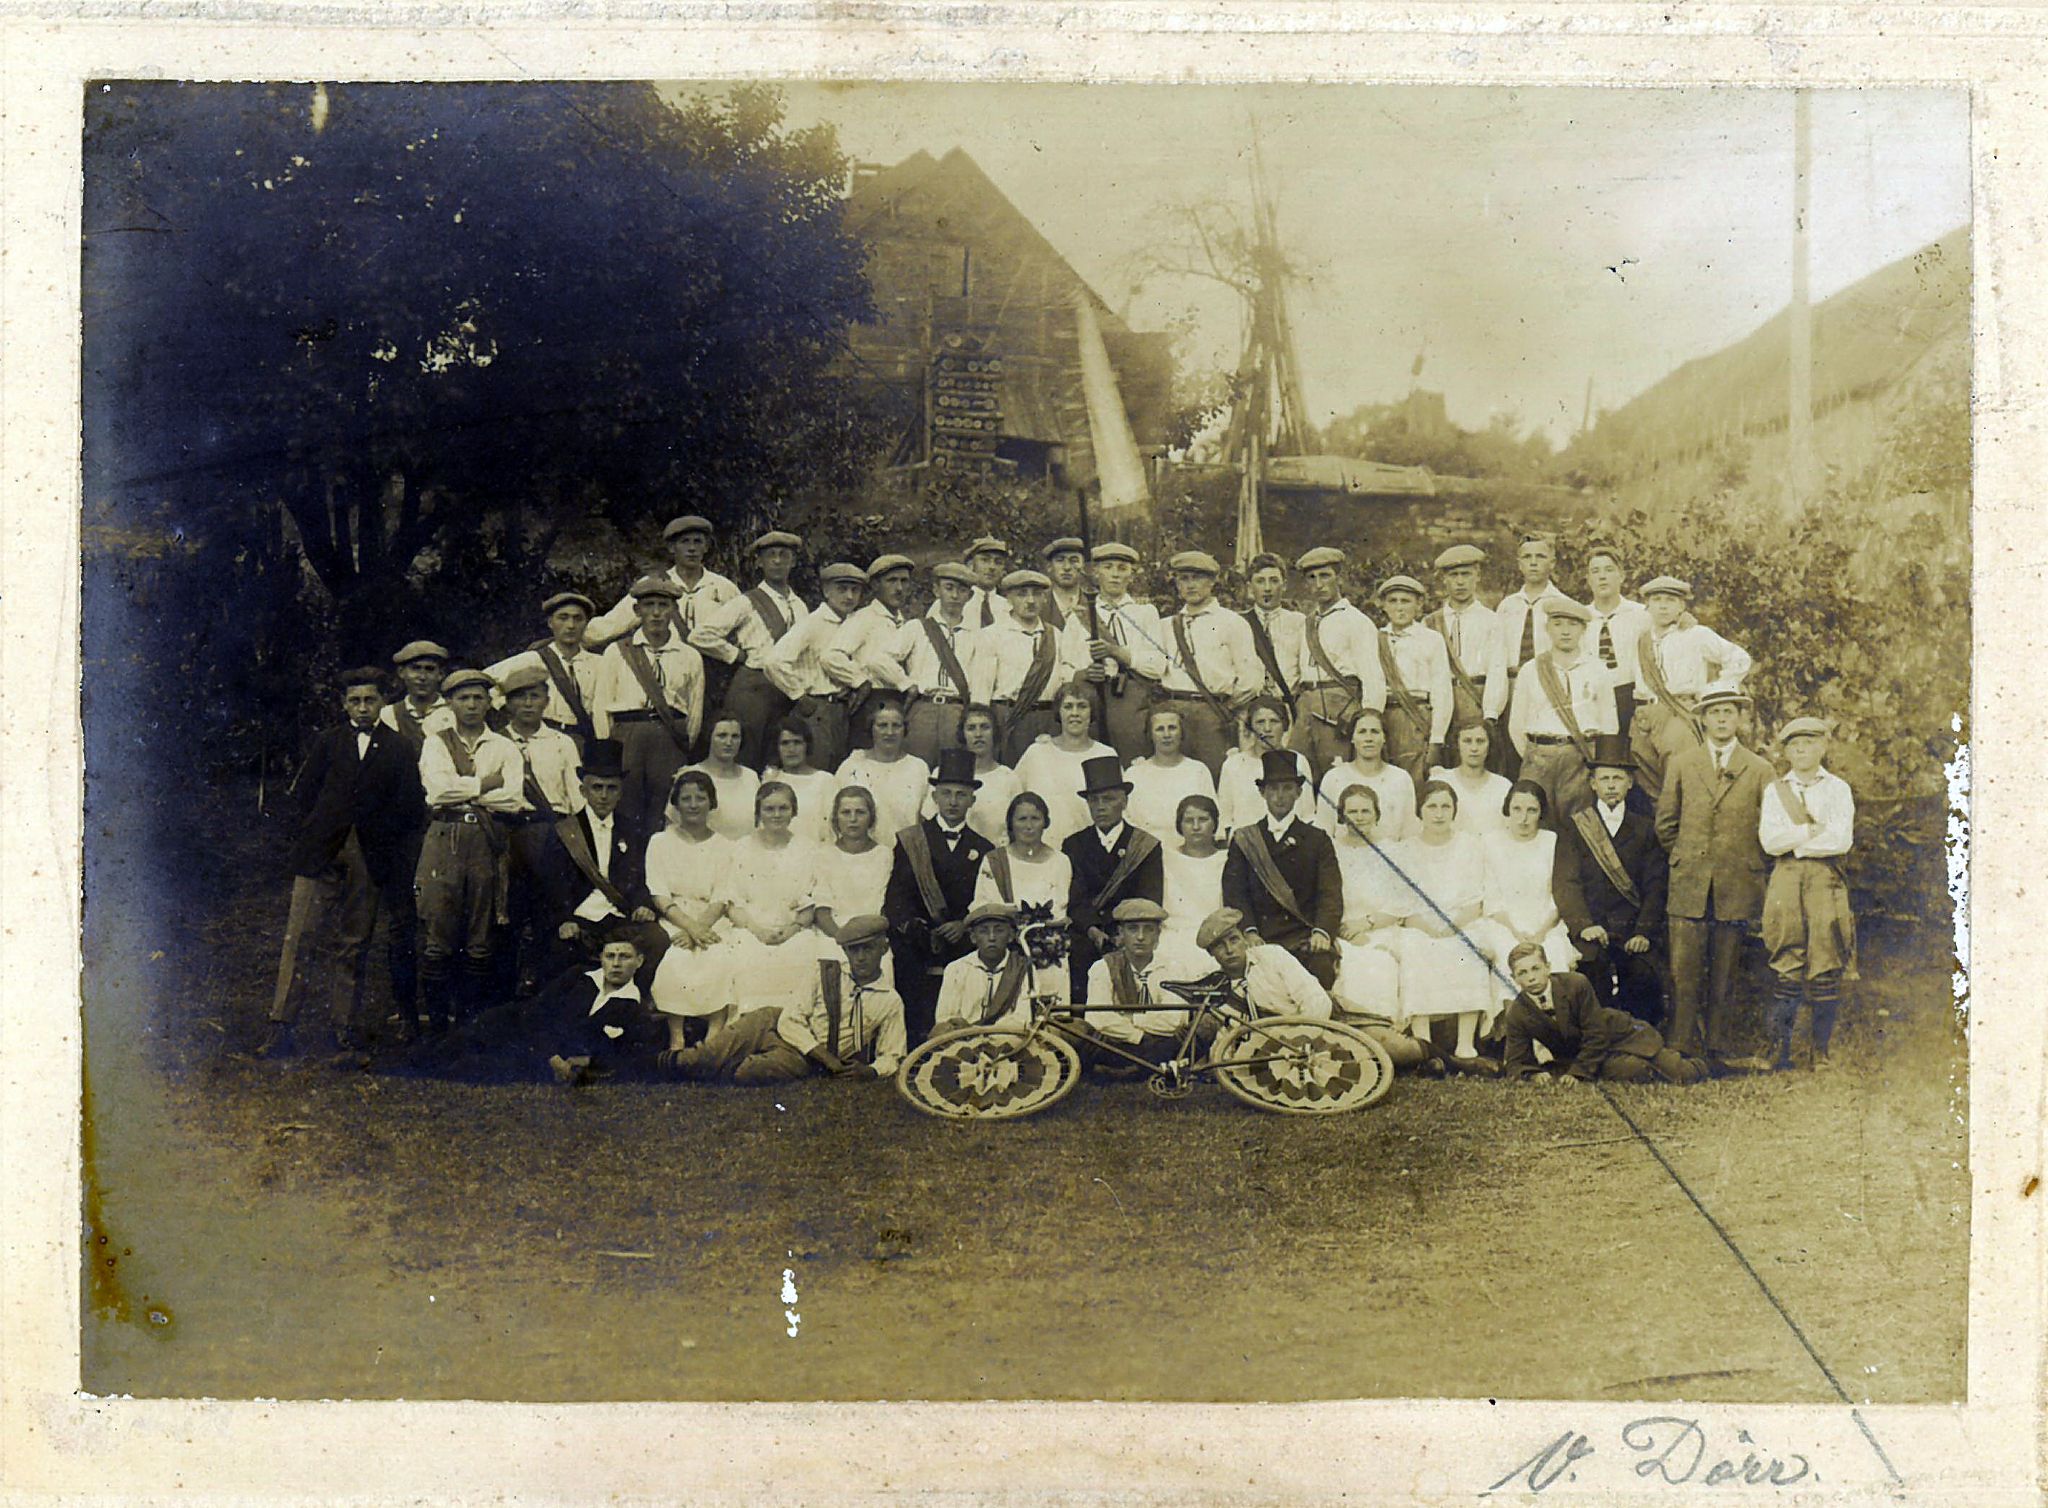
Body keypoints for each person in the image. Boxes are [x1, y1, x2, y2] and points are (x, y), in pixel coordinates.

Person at [258, 667, 420, 1061]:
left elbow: (409, 809)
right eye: (355, 701)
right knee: (300, 937)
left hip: (370, 855)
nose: (363, 708)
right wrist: (311, 836)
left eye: (370, 700)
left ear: (382, 702)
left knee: (354, 941)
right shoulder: (328, 742)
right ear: (343, 703)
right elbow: (304, 795)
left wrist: (387, 850)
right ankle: (282, 1027)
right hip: (321, 854)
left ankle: (342, 1029)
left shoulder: (398, 748)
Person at [1656, 685, 1774, 1074]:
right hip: (1689, 881)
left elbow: (1768, 827)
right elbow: (1666, 823)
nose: (1722, 719)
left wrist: (1745, 864)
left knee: (1726, 969)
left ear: (1740, 719)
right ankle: (1681, 1046)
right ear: (1703, 719)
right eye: (1715, 712)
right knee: (1684, 969)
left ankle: (1718, 1049)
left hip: (1736, 883)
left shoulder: (1759, 769)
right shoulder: (1683, 762)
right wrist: (1687, 857)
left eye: (1730, 712)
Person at [659, 916, 906, 1083]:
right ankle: (655, 1066)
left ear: (883, 948)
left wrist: (871, 1071)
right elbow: (791, 1020)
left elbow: (892, 1055)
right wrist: (825, 1055)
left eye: (868, 948)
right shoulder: (826, 972)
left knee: (747, 1073)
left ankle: (697, 1069)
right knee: (705, 1054)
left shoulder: (890, 1001)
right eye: (854, 950)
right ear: (844, 951)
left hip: (803, 1056)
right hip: (775, 1022)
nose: (861, 957)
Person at [403, 930, 671, 1084]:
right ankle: (408, 1062)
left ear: (639, 961)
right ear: (600, 958)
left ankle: (425, 1069)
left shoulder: (633, 1007)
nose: (615, 964)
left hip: (536, 1055)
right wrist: (552, 1055)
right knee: (462, 1041)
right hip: (517, 1023)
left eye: (624, 957)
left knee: (478, 1067)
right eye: (610, 956)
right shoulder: (579, 976)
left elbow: (626, 1056)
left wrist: (588, 1061)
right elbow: (537, 1012)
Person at [414, 668, 525, 1031]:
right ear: (450, 703)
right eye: (463, 698)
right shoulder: (436, 742)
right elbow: (436, 793)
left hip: (486, 839)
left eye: (479, 697)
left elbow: (511, 799)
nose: (472, 705)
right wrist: (484, 784)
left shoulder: (505, 746)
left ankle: (469, 1023)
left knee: (482, 929)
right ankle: (438, 1027)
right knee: (438, 929)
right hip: (443, 838)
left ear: (490, 703)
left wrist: (466, 788)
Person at [1759, 717, 1857, 1070]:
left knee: (1826, 959)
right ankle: (1778, 1052)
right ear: (1786, 751)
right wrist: (1810, 831)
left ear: (1823, 747)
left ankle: (1821, 1052)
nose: (1802, 751)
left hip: (1824, 878)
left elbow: (1840, 839)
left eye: (1809, 744)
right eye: (1794, 745)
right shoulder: (1775, 791)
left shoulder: (1837, 789)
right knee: (1787, 960)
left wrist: (1796, 842)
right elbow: (1770, 841)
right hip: (1784, 878)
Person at [1553, 735, 1669, 1024]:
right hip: (1592, 930)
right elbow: (1566, 883)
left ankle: (1638, 1044)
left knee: (1643, 976)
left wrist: (1643, 932)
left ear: (1630, 783)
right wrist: (1584, 926)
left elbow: (1656, 885)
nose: (1611, 785)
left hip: (1632, 932)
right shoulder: (1576, 826)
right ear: (1592, 783)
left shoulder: (1645, 829)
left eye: (1618, 778)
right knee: (1591, 974)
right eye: (1604, 778)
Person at [885, 748, 997, 1043]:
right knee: (907, 959)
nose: (952, 802)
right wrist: (920, 928)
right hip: (920, 936)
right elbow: (897, 897)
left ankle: (965, 1040)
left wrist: (965, 924)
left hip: (962, 935)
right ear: (934, 797)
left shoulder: (984, 848)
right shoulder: (911, 840)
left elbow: (985, 899)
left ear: (972, 800)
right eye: (946, 793)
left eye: (961, 795)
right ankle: (913, 1042)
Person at [533, 738, 664, 985]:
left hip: (621, 917)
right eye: (597, 787)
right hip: (579, 918)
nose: (604, 796)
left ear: (621, 791)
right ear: (583, 791)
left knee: (657, 940)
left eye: (611, 788)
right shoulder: (564, 831)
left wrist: (641, 905)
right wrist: (564, 919)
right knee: (560, 953)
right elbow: (551, 885)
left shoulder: (632, 830)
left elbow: (642, 878)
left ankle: (636, 1005)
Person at [1391, 781, 1500, 1068]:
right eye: (1431, 806)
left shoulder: (1469, 845)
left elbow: (1476, 898)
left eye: (1445, 806)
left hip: (1461, 921)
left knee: (1469, 948)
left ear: (1454, 810)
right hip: (1420, 924)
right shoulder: (1406, 849)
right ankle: (1424, 1043)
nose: (1438, 814)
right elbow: (1404, 901)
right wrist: (1427, 926)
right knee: (1415, 947)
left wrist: (1452, 926)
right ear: (1420, 811)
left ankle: (1465, 1043)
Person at [497, 663, 591, 990]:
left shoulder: (561, 742)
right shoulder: (495, 743)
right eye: (519, 698)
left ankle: (544, 991)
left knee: (549, 916)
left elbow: (576, 798)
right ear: (507, 704)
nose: (527, 704)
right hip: (506, 833)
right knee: (507, 914)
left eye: (534, 696)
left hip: (550, 834)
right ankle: (504, 994)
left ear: (546, 700)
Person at [590, 575, 705, 834]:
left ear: (673, 610)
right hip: (626, 738)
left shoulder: (689, 655)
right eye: (649, 605)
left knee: (664, 813)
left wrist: (681, 744)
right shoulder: (618, 651)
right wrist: (608, 751)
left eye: (663, 606)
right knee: (625, 812)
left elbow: (694, 710)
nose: (655, 613)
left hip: (668, 739)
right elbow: (601, 705)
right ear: (636, 610)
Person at [1327, 785, 1431, 1069]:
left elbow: (1403, 900)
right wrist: (1346, 929)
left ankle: (1389, 1043)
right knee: (1353, 965)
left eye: (1365, 811)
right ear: (1341, 815)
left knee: (1382, 962)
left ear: (1376, 815)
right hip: (1344, 930)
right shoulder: (1331, 852)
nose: (1359, 818)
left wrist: (1368, 923)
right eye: (1352, 812)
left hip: (1381, 926)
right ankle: (1356, 1044)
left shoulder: (1391, 851)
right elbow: (1325, 899)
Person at [1222, 749, 1344, 990]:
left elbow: (1330, 893)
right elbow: (1235, 893)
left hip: (1304, 937)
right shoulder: (1245, 839)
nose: (1280, 796)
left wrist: (1322, 932)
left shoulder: (1317, 839)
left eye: (1287, 788)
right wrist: (1249, 931)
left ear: (1299, 793)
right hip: (1260, 938)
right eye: (1273, 789)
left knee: (1320, 973)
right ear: (1262, 792)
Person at [1499, 943, 1706, 1084]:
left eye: (1535, 969)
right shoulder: (1517, 1012)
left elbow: (1596, 1033)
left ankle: (1710, 1066)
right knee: (1634, 1070)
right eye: (1522, 973)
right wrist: (1533, 1075)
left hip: (1620, 1034)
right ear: (1513, 978)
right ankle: (1639, 1068)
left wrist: (1578, 1074)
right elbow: (1516, 1061)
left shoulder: (1575, 984)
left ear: (1548, 968)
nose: (1531, 978)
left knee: (1679, 1071)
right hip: (1588, 1056)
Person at [689, 529, 809, 767]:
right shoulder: (747, 601)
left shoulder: (801, 605)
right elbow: (700, 635)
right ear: (759, 562)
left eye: (783, 555)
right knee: (745, 757)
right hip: (753, 688)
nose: (777, 560)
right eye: (770, 555)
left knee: (776, 759)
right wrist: (736, 655)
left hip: (786, 690)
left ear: (793, 561)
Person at [1630, 575, 1755, 805]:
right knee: (1647, 783)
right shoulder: (1641, 639)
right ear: (1647, 606)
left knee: (1681, 779)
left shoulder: (1696, 634)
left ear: (1682, 606)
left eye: (1671, 600)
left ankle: (1683, 832)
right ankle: (1664, 834)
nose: (1664, 605)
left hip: (1679, 711)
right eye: (1657, 599)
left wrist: (1714, 693)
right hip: (1645, 714)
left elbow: (1738, 659)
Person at [1062, 754, 1166, 999]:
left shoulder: (1145, 845)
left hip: (1130, 933)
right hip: (1087, 934)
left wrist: (1123, 933)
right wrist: (1092, 930)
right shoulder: (1074, 844)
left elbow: (1149, 899)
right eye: (1094, 800)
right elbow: (1074, 899)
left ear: (1124, 801)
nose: (1100, 807)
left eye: (1108, 799)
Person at [1505, 598, 1616, 822]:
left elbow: (1610, 724)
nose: (1565, 631)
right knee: (1536, 823)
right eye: (1558, 624)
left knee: (1580, 825)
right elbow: (1515, 725)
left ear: (1583, 629)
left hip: (1581, 757)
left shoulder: (1597, 669)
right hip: (1539, 756)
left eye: (1573, 625)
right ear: (1547, 628)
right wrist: (1535, 754)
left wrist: (1595, 763)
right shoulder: (1532, 669)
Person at [1157, 549, 1261, 777]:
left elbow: (1251, 680)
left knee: (1215, 776)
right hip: (1173, 711)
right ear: (1176, 584)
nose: (1191, 585)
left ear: (1212, 582)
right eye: (1184, 578)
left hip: (1212, 713)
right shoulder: (1165, 626)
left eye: (1198, 577)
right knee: (1174, 776)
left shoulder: (1232, 623)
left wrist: (1224, 707)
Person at [644, 770, 736, 1026]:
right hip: (675, 917)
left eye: (700, 798)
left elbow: (722, 895)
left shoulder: (726, 846)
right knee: (676, 956)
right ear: (676, 804)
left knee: (719, 955)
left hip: (713, 919)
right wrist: (690, 927)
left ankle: (714, 1033)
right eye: (686, 798)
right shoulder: (659, 842)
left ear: (712, 803)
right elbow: (659, 893)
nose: (694, 805)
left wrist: (699, 928)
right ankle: (677, 1035)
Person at [868, 561, 982, 764]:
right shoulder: (917, 628)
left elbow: (980, 681)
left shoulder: (977, 636)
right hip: (923, 709)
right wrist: (906, 683)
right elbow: (879, 659)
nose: (955, 596)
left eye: (962, 590)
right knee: (915, 767)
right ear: (936, 590)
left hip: (957, 711)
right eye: (949, 588)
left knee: (952, 771)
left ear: (970, 596)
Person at [762, 561, 868, 773]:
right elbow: (773, 661)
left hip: (844, 708)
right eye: (842, 589)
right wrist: (799, 695)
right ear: (826, 591)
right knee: (817, 768)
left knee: (842, 770)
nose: (849, 596)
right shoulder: (813, 623)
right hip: (816, 709)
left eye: (855, 590)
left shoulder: (856, 623)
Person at [1289, 546, 1385, 781]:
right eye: (1312, 578)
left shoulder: (1356, 621)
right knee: (1299, 774)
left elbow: (1373, 677)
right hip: (1307, 707)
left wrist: (1368, 720)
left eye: (1325, 576)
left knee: (1338, 777)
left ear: (1339, 578)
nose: (1319, 584)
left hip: (1339, 707)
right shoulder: (1307, 623)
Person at [1480, 781, 1580, 1005]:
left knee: (1552, 953)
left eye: (1531, 810)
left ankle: (1554, 1030)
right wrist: (1515, 931)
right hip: (1504, 924)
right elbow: (1491, 895)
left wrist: (1541, 931)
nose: (1523, 818)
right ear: (1507, 810)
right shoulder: (1491, 842)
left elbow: (1560, 893)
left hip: (1546, 923)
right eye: (1517, 809)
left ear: (1541, 812)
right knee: (1507, 954)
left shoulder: (1551, 841)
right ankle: (1514, 1028)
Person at [1079, 899, 1215, 1060]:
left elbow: (1174, 1020)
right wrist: (1138, 1037)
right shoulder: (1103, 967)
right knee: (1079, 1030)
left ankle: (1136, 1068)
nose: (1141, 937)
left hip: (1163, 1042)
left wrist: (1130, 1018)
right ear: (1121, 933)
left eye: (1149, 930)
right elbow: (1098, 1018)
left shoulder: (1173, 968)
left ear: (1158, 934)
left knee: (1206, 1024)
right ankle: (1147, 1067)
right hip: (1118, 1043)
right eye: (1133, 929)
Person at [1484, 533, 1575, 771]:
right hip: (1512, 687)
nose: (1534, 562)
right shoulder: (1508, 606)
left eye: (1541, 556)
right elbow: (1497, 659)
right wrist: (1493, 708)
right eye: (1527, 557)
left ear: (1552, 563)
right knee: (1510, 756)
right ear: (1519, 563)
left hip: (1545, 687)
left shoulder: (1562, 604)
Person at [981, 568, 1089, 763]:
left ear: (1045, 599)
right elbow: (982, 689)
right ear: (1008, 599)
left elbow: (1067, 677)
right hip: (1010, 718)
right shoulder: (992, 635)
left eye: (1037, 594)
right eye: (1022, 594)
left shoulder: (1054, 634)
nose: (1030, 601)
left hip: (1049, 718)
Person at [584, 513, 739, 649]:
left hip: (713, 671)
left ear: (706, 547)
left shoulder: (724, 587)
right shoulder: (653, 584)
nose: (692, 548)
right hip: (667, 666)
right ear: (672, 548)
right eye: (685, 541)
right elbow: (613, 623)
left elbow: (745, 631)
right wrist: (574, 637)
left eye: (697, 542)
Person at [1084, 541, 1168, 762]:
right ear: (1095, 572)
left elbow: (1158, 664)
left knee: (1133, 762)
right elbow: (1066, 664)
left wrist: (1120, 653)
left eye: (1122, 568)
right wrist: (1084, 673)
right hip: (1092, 700)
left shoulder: (1145, 613)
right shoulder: (1082, 614)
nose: (1115, 575)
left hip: (1131, 700)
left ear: (1131, 575)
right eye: (1108, 567)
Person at [485, 592, 602, 748]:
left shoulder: (600, 663)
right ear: (550, 623)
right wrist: (508, 708)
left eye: (578, 618)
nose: (571, 625)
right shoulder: (532, 659)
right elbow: (484, 681)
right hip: (544, 738)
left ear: (586, 623)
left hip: (587, 740)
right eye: (563, 617)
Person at [827, 553, 916, 752]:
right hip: (872, 701)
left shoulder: (906, 623)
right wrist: (860, 681)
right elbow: (831, 656)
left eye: (904, 581)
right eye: (891, 581)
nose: (899, 588)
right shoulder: (864, 618)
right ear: (875, 585)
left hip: (900, 702)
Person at [934, 902, 1068, 1032]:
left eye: (999, 931)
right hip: (962, 1041)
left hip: (1006, 1040)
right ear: (973, 938)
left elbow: (1024, 1018)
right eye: (984, 931)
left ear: (1010, 936)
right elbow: (945, 1018)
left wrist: (979, 1030)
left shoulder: (1023, 968)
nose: (991, 937)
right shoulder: (956, 969)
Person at [1013, 680, 1117, 845]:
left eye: (1082, 706)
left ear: (1092, 713)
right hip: (1043, 851)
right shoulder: (1037, 753)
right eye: (1068, 707)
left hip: (1090, 853)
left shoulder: (1105, 754)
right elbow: (1015, 803)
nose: (1074, 713)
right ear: (1059, 713)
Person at [1374, 575, 1453, 786]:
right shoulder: (1375, 638)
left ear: (1419, 604)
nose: (1399, 607)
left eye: (1406, 601)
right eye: (1393, 601)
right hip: (1382, 719)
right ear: (1383, 605)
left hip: (1416, 720)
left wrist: (1437, 739)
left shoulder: (1430, 639)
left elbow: (1442, 692)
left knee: (1414, 783)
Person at [1195, 907, 1337, 1022]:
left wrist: (1302, 1038)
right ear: (1210, 952)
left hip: (1300, 1042)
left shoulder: (1273, 956)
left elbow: (1317, 1001)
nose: (1230, 950)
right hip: (1257, 1053)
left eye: (1234, 940)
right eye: (1220, 946)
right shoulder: (1217, 990)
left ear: (1245, 940)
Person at [1428, 544, 1499, 772]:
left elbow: (1497, 672)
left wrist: (1490, 714)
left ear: (1477, 576)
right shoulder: (1430, 622)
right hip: (1439, 702)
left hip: (1476, 698)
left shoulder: (1490, 620)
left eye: (1466, 574)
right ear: (1444, 580)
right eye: (1453, 575)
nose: (1460, 582)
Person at [808, 786, 897, 963]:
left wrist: (867, 937)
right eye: (846, 813)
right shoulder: (823, 855)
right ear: (836, 818)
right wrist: (842, 937)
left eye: (860, 812)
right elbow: (822, 910)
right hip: (834, 936)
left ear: (871, 818)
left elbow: (885, 907)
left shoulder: (884, 855)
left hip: (872, 935)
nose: (853, 819)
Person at [922, 704, 1020, 849]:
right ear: (963, 734)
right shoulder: (943, 772)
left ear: (995, 733)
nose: (978, 734)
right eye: (971, 728)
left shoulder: (1009, 778)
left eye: (985, 727)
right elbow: (928, 819)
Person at [833, 699, 933, 840]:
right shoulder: (853, 765)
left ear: (905, 729)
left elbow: (926, 819)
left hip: (905, 854)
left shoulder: (918, 767)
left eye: (896, 726)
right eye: (882, 725)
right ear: (871, 728)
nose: (890, 732)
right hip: (863, 853)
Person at [1317, 706, 1419, 843]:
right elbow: (1324, 831)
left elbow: (1409, 833)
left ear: (1384, 738)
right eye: (1362, 732)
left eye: (1375, 732)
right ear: (1352, 738)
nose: (1369, 738)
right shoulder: (1334, 778)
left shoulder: (1401, 778)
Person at [1218, 697, 1317, 834]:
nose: (1267, 728)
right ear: (1250, 727)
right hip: (1248, 845)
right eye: (1260, 722)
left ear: (1284, 726)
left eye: (1274, 721)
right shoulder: (1233, 765)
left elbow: (1307, 815)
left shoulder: (1298, 761)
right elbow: (1225, 818)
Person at [1582, 545, 1649, 741]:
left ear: (1621, 575)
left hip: (1629, 695)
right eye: (1595, 571)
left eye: (1609, 570)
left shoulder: (1641, 614)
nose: (1602, 576)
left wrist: (1683, 618)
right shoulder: (1581, 617)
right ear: (1588, 580)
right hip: (1593, 698)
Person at [972, 792, 1073, 922]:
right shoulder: (994, 860)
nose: (1029, 826)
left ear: (1046, 823)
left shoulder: (1060, 861)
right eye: (1022, 819)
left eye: (1035, 819)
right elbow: (984, 907)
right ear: (1011, 824)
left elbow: (1061, 909)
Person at [1123, 706, 1218, 841]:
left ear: (1182, 732)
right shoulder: (1134, 774)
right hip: (1145, 852)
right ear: (1150, 734)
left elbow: (1211, 818)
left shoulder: (1198, 770)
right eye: (1159, 729)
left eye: (1172, 728)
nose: (1167, 735)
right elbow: (1127, 819)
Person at [1159, 794, 1227, 957]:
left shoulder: (1226, 859)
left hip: (1215, 937)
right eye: (1189, 821)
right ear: (1179, 825)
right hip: (1172, 938)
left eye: (1203, 819)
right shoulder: (1165, 857)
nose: (1196, 827)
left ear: (1214, 824)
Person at [1240, 551, 1306, 705]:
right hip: (1250, 706)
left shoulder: (1299, 622)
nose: (1267, 588)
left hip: (1288, 705)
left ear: (1284, 585)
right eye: (1260, 581)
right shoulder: (1238, 623)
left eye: (1274, 581)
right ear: (1250, 587)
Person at [682, 715, 760, 840]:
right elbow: (674, 829)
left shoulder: (751, 777)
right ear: (709, 738)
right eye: (722, 736)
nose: (729, 742)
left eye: (735, 736)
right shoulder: (690, 774)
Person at [1429, 721, 1511, 838]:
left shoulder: (1503, 786)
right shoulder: (1442, 781)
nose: (1474, 748)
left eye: (1480, 741)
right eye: (1467, 741)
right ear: (1457, 744)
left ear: (1490, 745)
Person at [763, 717, 838, 844]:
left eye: (797, 742)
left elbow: (833, 828)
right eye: (785, 743)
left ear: (807, 746)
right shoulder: (771, 780)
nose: (791, 749)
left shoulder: (825, 781)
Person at [379, 639, 455, 744]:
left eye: (430, 669)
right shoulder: (388, 714)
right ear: (401, 672)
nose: (422, 677)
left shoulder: (454, 711)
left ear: (441, 674)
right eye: (415, 668)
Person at [961, 535, 1016, 630]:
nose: (992, 567)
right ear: (971, 565)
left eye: (998, 562)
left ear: (1003, 571)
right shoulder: (953, 603)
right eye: (985, 560)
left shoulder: (1009, 607)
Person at [1040, 536, 1089, 632]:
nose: (1067, 567)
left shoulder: (1095, 603)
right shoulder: (1039, 603)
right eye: (1060, 560)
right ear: (1049, 567)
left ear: (1083, 567)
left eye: (1074, 561)